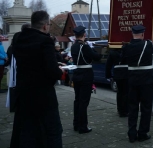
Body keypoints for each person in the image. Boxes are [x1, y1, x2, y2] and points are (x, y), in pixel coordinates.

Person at [10, 10, 64, 147]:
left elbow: (32, 61)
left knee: (27, 131)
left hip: (23, 93)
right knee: (53, 131)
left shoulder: (18, 39)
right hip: (43, 95)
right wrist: (59, 71)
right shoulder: (45, 41)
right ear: (45, 25)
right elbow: (52, 71)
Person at [122, 24, 153, 143]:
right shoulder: (148, 44)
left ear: (132, 34)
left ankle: (132, 134)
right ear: (142, 34)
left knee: (132, 107)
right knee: (146, 107)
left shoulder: (126, 47)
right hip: (146, 79)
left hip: (132, 79)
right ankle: (142, 133)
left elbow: (122, 59)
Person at [71, 25, 101, 134]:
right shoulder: (85, 46)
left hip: (77, 73)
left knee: (77, 100)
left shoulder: (74, 46)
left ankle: (76, 124)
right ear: (84, 34)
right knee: (84, 101)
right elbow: (96, 57)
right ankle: (83, 126)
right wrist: (95, 49)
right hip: (86, 74)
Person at [105, 48, 128, 117]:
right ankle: (126, 110)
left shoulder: (112, 52)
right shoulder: (128, 50)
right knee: (126, 92)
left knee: (120, 92)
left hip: (117, 73)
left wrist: (108, 75)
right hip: (127, 72)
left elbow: (108, 64)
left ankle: (120, 110)